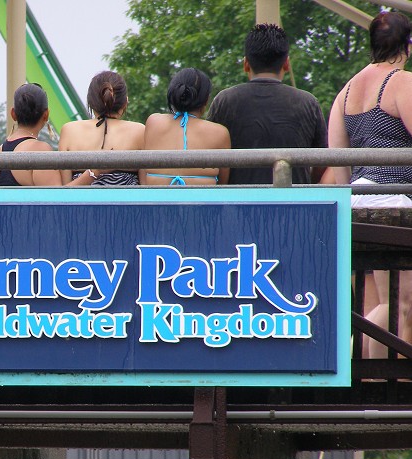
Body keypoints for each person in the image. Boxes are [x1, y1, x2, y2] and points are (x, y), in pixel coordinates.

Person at [327, 11, 412, 357]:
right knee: (404, 306)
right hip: (395, 204)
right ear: (408, 44)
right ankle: (367, 376)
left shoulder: (346, 91)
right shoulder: (402, 82)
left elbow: (336, 161)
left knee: (375, 310)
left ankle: (371, 388)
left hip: (358, 204)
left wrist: (356, 196)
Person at [207, 23, 327, 184]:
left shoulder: (224, 101)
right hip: (293, 204)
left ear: (246, 64)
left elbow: (208, 157)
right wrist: (307, 184)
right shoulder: (308, 103)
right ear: (286, 63)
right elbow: (323, 161)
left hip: (237, 205)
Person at [141, 68, 231, 186]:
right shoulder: (219, 133)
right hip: (203, 203)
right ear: (206, 100)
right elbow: (223, 184)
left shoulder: (154, 122)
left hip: (156, 203)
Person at [0, 83, 93, 187]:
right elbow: (57, 199)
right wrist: (92, 174)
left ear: (13, 114)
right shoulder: (40, 150)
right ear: (46, 115)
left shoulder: (0, 151)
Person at [58, 71, 145, 186]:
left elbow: (64, 194)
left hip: (81, 203)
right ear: (125, 102)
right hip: (126, 203)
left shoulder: (70, 130)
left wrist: (93, 172)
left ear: (90, 101)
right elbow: (146, 188)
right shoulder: (139, 131)